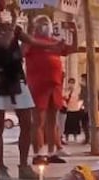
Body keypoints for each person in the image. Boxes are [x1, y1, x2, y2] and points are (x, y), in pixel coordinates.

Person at [0, 0, 67, 180]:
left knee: (27, 121)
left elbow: (32, 41)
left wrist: (53, 45)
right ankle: (1, 168)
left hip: (16, 76)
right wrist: (15, 22)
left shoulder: (11, 27)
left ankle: (24, 165)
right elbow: (2, 43)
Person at [24, 15, 77, 163]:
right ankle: (37, 154)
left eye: (46, 23)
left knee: (52, 121)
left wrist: (74, 32)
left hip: (55, 86)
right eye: (41, 23)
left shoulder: (54, 42)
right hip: (38, 86)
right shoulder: (31, 42)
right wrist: (29, 34)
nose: (44, 26)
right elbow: (22, 52)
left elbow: (72, 49)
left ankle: (52, 152)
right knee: (38, 121)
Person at [64, 77, 81, 142]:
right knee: (68, 124)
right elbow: (65, 99)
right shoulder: (66, 91)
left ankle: (75, 137)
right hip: (68, 109)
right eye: (70, 83)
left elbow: (79, 98)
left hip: (75, 109)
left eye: (72, 83)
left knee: (75, 124)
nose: (71, 84)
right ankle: (66, 137)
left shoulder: (77, 91)